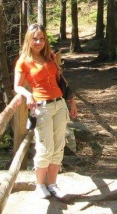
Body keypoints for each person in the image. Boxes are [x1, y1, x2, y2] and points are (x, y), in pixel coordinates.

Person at [14, 23, 78, 200]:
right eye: (34, 38)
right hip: (42, 108)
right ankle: (40, 185)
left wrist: (71, 101)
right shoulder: (24, 62)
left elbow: (61, 82)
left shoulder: (50, 57)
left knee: (59, 146)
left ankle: (53, 184)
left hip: (59, 104)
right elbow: (17, 86)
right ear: (28, 39)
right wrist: (28, 95)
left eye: (41, 38)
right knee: (45, 147)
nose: (38, 42)